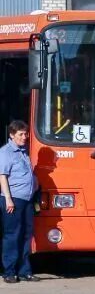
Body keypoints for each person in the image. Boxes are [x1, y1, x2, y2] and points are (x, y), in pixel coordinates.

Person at [0, 120, 37, 283]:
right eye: (21, 134)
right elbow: (3, 177)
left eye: (26, 133)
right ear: (12, 135)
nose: (25, 137)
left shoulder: (23, 151)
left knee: (26, 235)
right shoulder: (6, 152)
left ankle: (24, 270)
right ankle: (9, 271)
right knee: (12, 235)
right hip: (13, 199)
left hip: (27, 199)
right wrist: (8, 199)